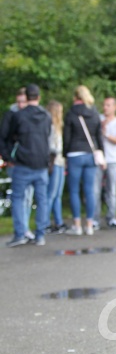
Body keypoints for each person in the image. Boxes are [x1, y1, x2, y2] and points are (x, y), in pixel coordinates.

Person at [0, 84, 51, 247]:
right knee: (42, 200)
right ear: (39, 97)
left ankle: (20, 233)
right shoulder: (46, 116)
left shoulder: (19, 116)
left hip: (22, 163)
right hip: (41, 163)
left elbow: (7, 137)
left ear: (26, 97)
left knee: (18, 198)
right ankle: (40, 234)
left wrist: (8, 156)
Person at [63, 85, 104, 236]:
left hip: (74, 154)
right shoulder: (94, 113)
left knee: (74, 190)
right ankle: (89, 225)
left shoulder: (71, 113)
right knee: (89, 191)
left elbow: (67, 137)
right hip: (91, 154)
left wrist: (65, 153)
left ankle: (77, 225)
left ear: (75, 97)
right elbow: (99, 136)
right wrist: (101, 153)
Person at [0, 87, 35, 239]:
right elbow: (3, 138)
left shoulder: (31, 116)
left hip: (29, 161)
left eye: (24, 102)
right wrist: (8, 158)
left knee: (28, 196)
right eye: (19, 101)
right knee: (19, 196)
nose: (21, 105)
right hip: (15, 162)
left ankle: (24, 227)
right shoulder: (11, 115)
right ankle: (21, 229)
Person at [94, 97, 116, 229]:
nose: (105, 107)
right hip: (99, 159)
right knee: (95, 190)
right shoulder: (98, 119)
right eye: (104, 105)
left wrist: (106, 134)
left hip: (112, 160)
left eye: (108, 105)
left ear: (114, 107)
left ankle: (111, 218)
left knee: (111, 190)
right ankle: (95, 219)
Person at [46, 100, 67, 234]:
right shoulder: (50, 127)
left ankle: (59, 221)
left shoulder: (59, 127)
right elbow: (51, 147)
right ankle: (45, 222)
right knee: (51, 194)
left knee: (57, 194)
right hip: (54, 161)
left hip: (60, 162)